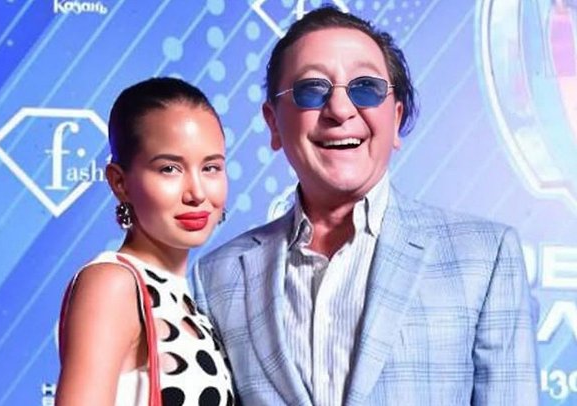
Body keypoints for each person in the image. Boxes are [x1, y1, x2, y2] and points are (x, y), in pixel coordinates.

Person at [190, 6, 538, 406]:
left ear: (396, 117)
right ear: (273, 123)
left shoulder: (485, 257)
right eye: (311, 90)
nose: (340, 110)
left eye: (366, 88)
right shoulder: (218, 276)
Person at [55, 77, 235, 406]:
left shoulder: (190, 299)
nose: (197, 193)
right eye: (169, 169)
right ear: (120, 183)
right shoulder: (112, 283)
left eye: (211, 167)